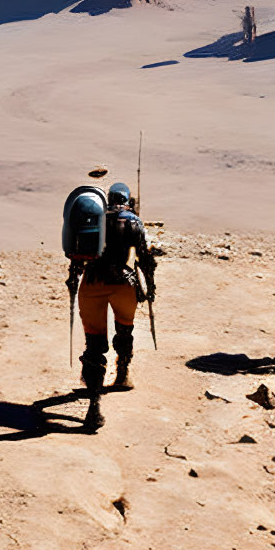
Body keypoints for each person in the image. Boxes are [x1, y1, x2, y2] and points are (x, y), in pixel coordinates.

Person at [70, 182, 155, 431]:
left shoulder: (92, 219)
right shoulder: (133, 222)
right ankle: (122, 373)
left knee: (94, 346)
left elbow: (75, 255)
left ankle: (93, 407)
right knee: (125, 329)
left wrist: (73, 281)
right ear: (128, 200)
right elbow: (145, 258)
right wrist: (149, 287)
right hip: (123, 284)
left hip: (92, 284)